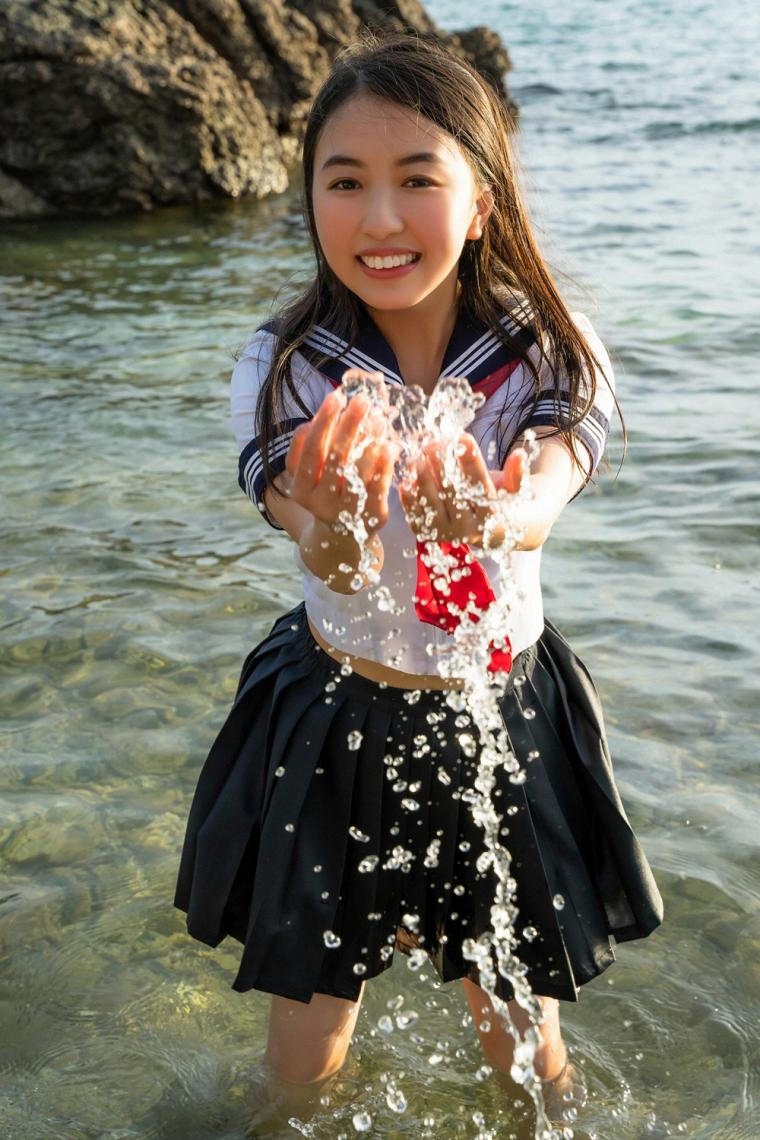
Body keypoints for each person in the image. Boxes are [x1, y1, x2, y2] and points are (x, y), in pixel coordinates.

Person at [174, 31, 663, 1121]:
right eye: (343, 183)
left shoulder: (549, 346)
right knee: (310, 1021)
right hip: (331, 710)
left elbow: (540, 495)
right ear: (309, 200)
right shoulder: (286, 362)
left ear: (481, 200)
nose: (379, 219)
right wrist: (339, 529)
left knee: (521, 1026)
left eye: (416, 181)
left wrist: (489, 517)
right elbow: (315, 541)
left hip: (500, 708)